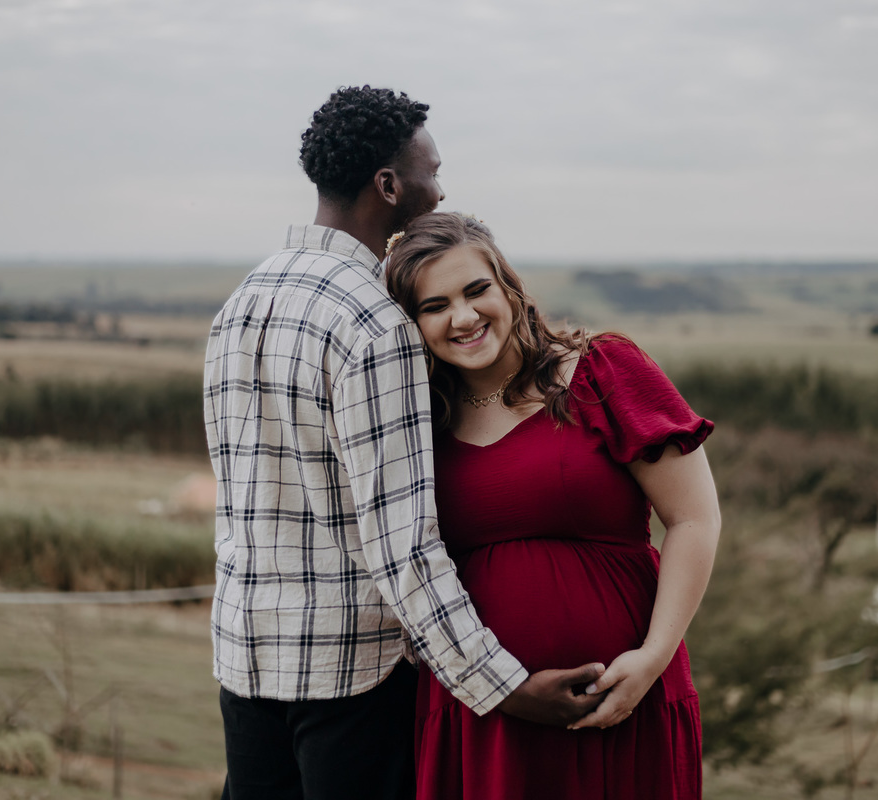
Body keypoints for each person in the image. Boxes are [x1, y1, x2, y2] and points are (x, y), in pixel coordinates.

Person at [203, 87, 605, 800]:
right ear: (389, 185)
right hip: (352, 682)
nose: (441, 190)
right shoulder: (374, 324)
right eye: (432, 171)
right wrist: (506, 689)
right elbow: (402, 546)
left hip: (244, 663)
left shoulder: (243, 301)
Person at [384, 212, 722, 800]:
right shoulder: (417, 423)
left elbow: (694, 518)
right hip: (483, 716)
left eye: (476, 290)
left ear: (508, 286)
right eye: (434, 306)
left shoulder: (602, 369)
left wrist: (652, 658)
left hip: (624, 696)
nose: (463, 317)